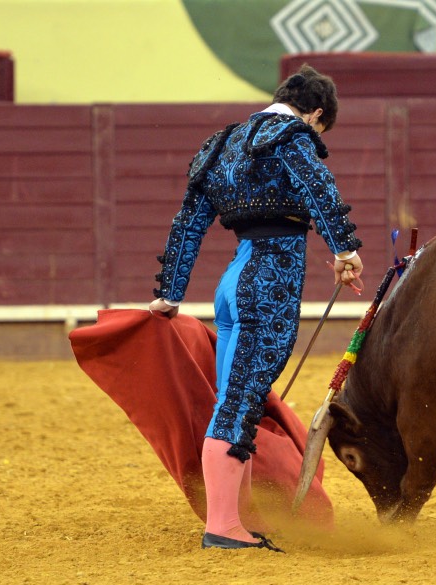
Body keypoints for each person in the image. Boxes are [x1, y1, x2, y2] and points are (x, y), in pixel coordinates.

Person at [148, 64, 363, 551]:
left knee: (234, 397)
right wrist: (345, 251)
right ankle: (223, 527)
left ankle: (235, 517)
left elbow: (188, 224)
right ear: (315, 113)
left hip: (233, 280)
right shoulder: (291, 135)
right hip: (267, 281)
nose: (315, 135)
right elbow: (318, 188)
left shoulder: (222, 144)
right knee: (239, 401)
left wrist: (172, 292)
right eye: (320, 128)